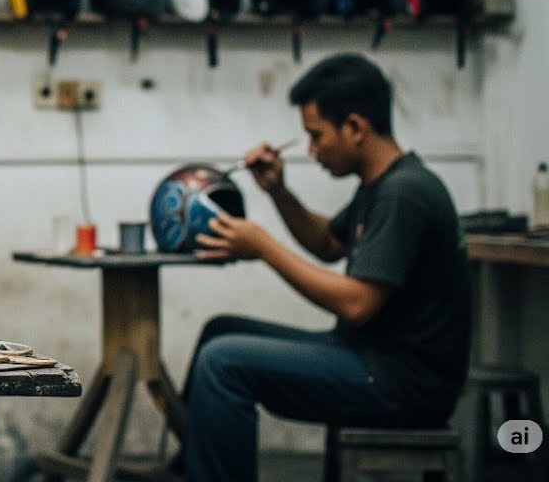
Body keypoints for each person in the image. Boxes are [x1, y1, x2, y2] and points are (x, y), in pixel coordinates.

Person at [178, 53, 471, 481]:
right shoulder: (382, 185)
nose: (311, 150)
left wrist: (263, 247)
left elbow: (357, 305)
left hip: (402, 383)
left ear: (355, 127)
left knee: (222, 363)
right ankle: (189, 470)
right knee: (219, 332)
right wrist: (278, 191)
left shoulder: (404, 193)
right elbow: (328, 243)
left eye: (316, 136)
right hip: (368, 356)